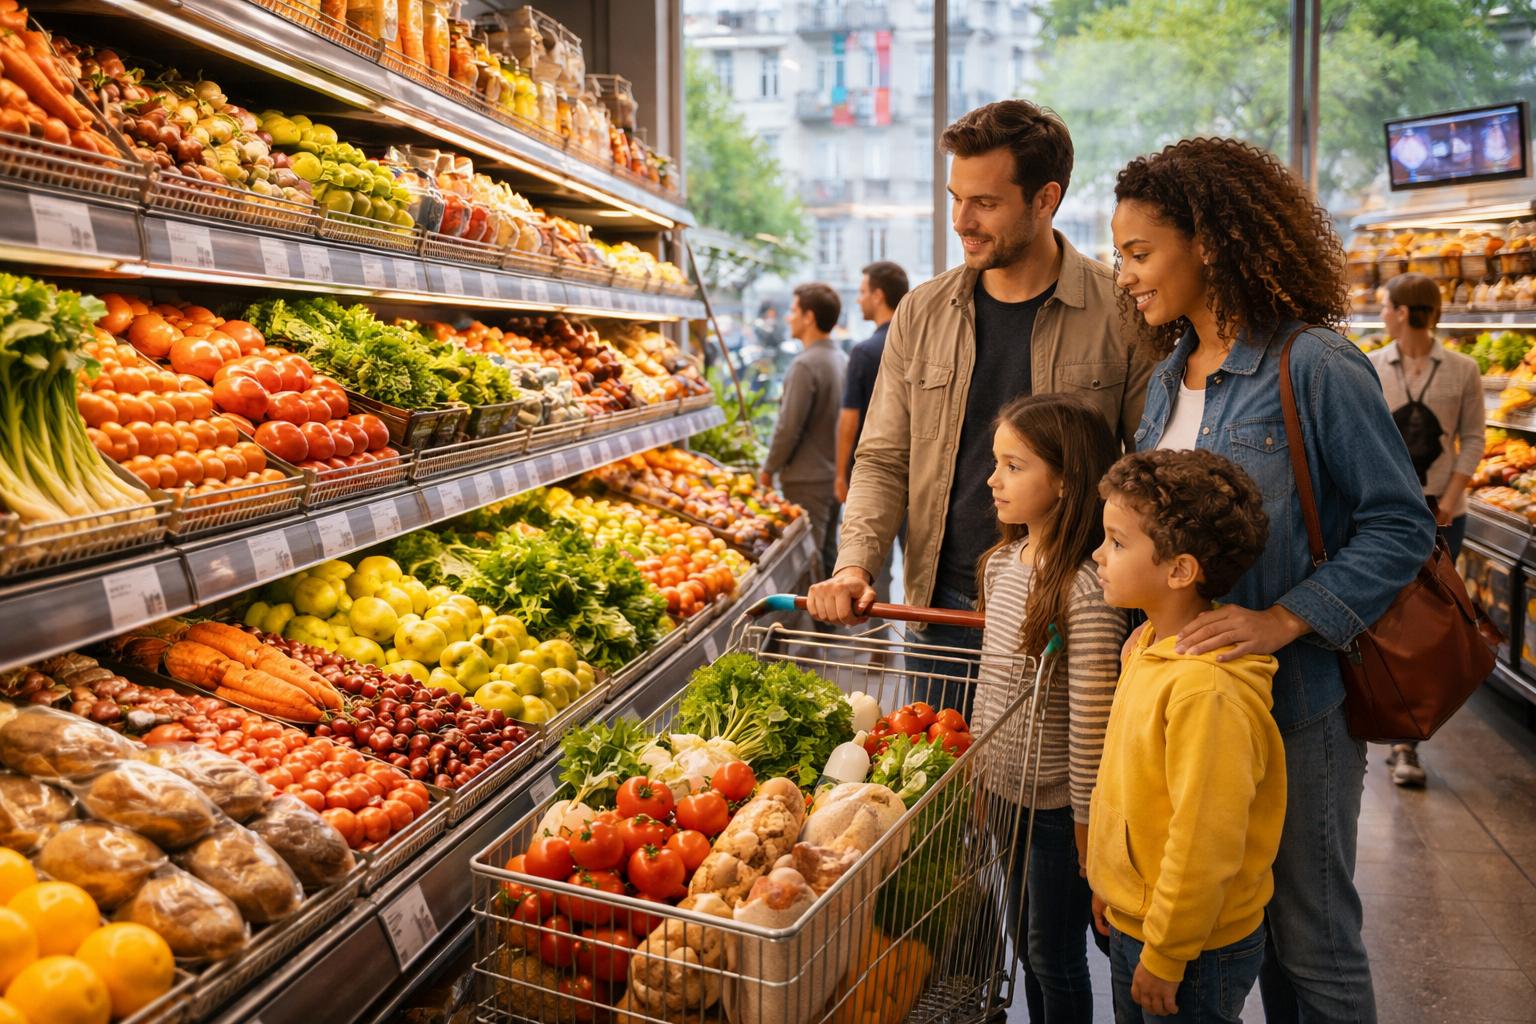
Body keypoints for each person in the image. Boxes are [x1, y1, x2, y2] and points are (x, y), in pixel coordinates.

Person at [1110, 137, 1435, 1024]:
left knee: (1310, 945)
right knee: (1217, 927)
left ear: (1208, 242)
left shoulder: (1316, 365)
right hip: (1183, 716)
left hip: (1293, 709)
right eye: (1119, 256)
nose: (1127, 275)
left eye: (1141, 253)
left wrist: (1285, 619)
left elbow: (1402, 524)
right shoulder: (1165, 381)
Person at [808, 100, 1150, 664]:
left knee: (1059, 756)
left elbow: (1147, 468)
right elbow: (884, 457)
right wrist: (854, 564)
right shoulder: (921, 312)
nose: (962, 221)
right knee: (931, 754)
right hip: (938, 609)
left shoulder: (1119, 313)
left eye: (985, 203)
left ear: (1046, 200)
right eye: (956, 198)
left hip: (1066, 610)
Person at [1089, 448, 1283, 1024]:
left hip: (1196, 948)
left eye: (1118, 543)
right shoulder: (1148, 645)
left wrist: (1168, 953)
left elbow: (1204, 840)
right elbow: (1130, 786)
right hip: (1140, 919)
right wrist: (1111, 880)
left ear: (1179, 570)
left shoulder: (1205, 693)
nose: (1099, 555)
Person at [975, 393, 1124, 1023]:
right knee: (1024, 948)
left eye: (1014, 466)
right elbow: (990, 685)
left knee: (1053, 954)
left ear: (1064, 481)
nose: (992, 479)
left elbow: (1092, 726)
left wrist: (1089, 828)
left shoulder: (1085, 591)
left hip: (1062, 812)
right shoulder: (1002, 563)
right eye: (996, 463)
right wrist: (978, 775)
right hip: (1005, 793)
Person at [1368, 272, 1485, 788]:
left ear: (1405, 310)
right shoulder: (1371, 367)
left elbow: (1475, 438)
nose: (1382, 313)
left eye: (1387, 305)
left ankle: (1407, 741)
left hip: (1443, 514)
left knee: (1428, 620)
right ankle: (1383, 717)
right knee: (1386, 618)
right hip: (1386, 514)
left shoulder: (1462, 369)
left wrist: (1453, 499)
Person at [760, 283, 847, 579]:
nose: (788, 317)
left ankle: (819, 626)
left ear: (809, 317)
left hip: (807, 479)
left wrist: (769, 468)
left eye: (794, 310)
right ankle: (834, 626)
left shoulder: (805, 365)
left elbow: (788, 427)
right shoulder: (840, 359)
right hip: (833, 475)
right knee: (828, 551)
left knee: (810, 562)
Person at [837, 261, 910, 602]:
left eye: (863, 292)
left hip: (877, 470)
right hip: (920, 477)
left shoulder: (865, 351)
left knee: (874, 564)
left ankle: (876, 648)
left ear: (879, 296)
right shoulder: (919, 342)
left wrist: (842, 473)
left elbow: (850, 419)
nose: (859, 300)